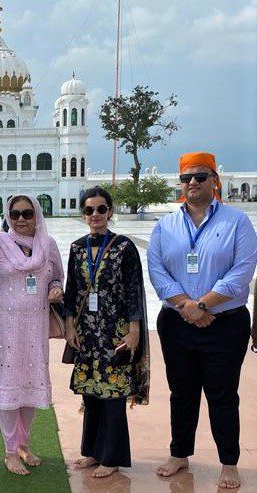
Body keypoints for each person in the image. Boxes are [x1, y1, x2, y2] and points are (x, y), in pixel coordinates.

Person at [147, 152, 257, 489]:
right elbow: (157, 271)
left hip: (224, 323)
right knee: (182, 392)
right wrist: (187, 307)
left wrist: (203, 306)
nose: (192, 182)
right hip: (177, 323)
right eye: (186, 178)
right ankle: (179, 454)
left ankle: (228, 462)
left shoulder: (236, 222)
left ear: (214, 181)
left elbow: (242, 272)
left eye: (200, 176)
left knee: (223, 394)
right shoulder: (166, 225)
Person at [0, 195, 64, 475]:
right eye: (15, 214)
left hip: (34, 327)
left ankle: (24, 445)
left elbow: (58, 276)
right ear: (8, 216)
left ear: (37, 215)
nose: (21, 219)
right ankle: (10, 451)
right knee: (9, 386)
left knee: (31, 384)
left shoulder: (47, 245)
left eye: (27, 213)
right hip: (3, 328)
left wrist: (57, 287)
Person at [64, 186, 150, 478]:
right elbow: (72, 292)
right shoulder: (77, 248)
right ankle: (91, 451)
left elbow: (134, 290)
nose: (96, 215)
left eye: (101, 209)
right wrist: (69, 327)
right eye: (89, 210)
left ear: (110, 211)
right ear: (84, 214)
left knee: (113, 394)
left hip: (116, 331)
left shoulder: (124, 247)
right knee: (90, 393)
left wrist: (135, 329)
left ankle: (111, 457)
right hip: (87, 333)